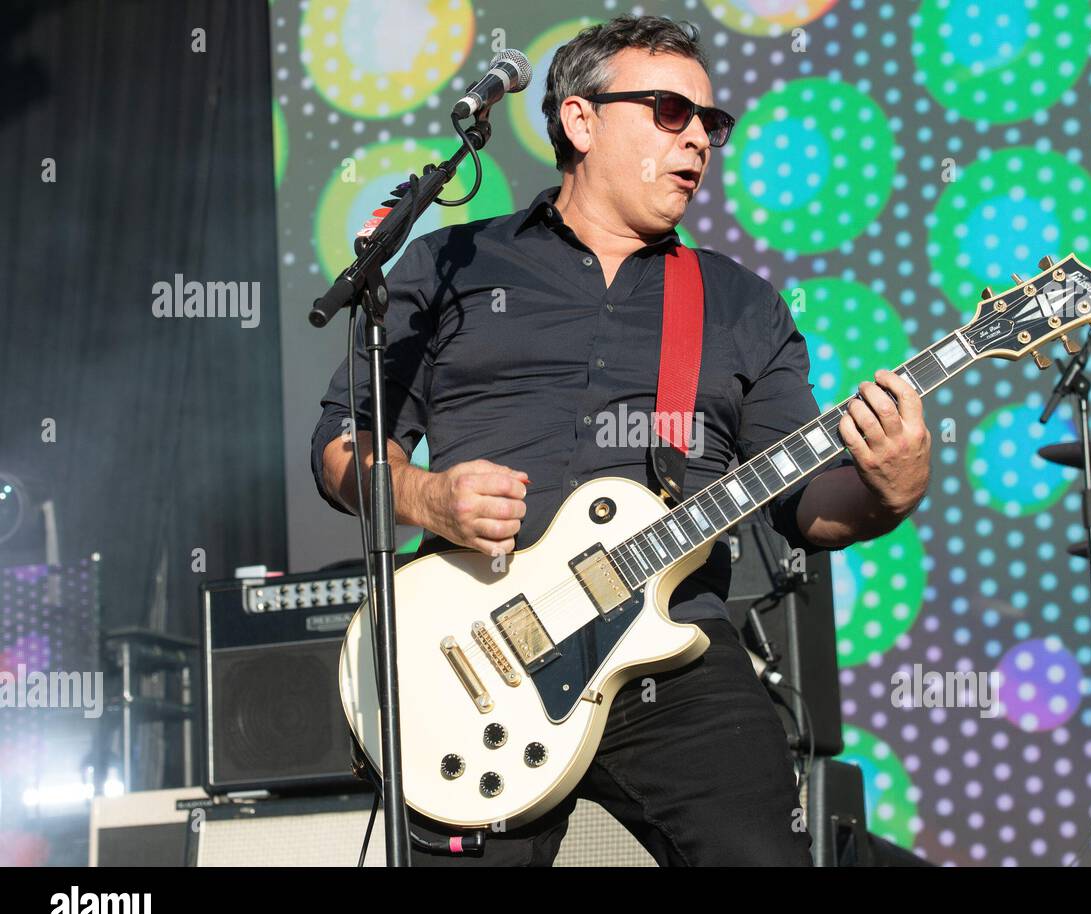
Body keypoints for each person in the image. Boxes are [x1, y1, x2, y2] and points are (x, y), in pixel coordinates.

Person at [311, 15, 931, 866]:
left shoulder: (741, 305)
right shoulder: (449, 266)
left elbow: (804, 509)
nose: (701, 141)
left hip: (672, 654)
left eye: (712, 124)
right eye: (671, 112)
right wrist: (423, 495)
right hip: (478, 654)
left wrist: (889, 488)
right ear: (579, 119)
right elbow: (345, 445)